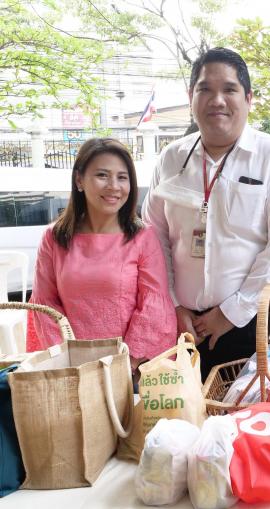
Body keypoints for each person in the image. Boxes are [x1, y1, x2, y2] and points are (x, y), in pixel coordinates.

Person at [142, 47, 270, 381]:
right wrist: (173, 304)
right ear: (191, 97)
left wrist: (232, 312)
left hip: (256, 325)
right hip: (184, 328)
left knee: (256, 427)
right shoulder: (171, 160)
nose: (217, 100)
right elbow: (153, 239)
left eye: (229, 89)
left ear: (248, 98)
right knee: (187, 426)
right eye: (205, 89)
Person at [30, 137, 176, 370]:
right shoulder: (54, 238)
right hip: (72, 371)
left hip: (130, 370)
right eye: (102, 175)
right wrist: (69, 363)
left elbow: (154, 307)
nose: (114, 186)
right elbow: (45, 308)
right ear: (79, 178)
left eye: (122, 177)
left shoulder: (142, 236)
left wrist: (126, 364)